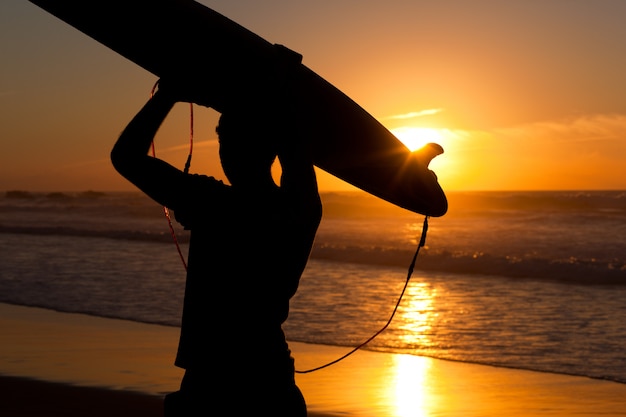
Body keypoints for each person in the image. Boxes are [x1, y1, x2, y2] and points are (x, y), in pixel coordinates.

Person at [110, 78, 322, 416]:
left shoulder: (211, 204)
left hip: (210, 385)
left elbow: (125, 157)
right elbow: (295, 153)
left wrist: (169, 95)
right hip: (272, 381)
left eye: (228, 139)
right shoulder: (300, 212)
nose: (224, 150)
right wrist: (282, 92)